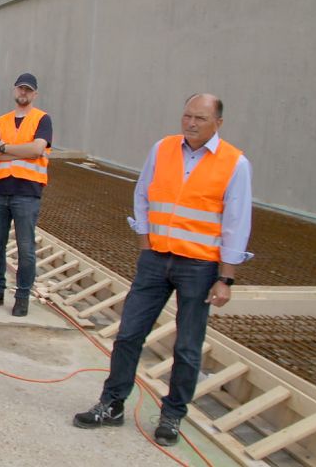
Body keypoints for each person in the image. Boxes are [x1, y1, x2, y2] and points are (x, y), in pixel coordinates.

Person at [73, 93, 252, 447]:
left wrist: (226, 277)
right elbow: (143, 194)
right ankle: (112, 404)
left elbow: (237, 221)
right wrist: (144, 240)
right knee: (128, 334)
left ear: (218, 122)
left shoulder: (234, 164)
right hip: (155, 258)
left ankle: (172, 414)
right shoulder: (163, 148)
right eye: (187, 115)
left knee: (187, 345)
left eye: (200, 118)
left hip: (199, 266)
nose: (191, 123)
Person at [0, 73, 52, 317]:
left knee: (25, 249)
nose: (24, 93)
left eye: (28, 90)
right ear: (14, 90)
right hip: (0, 191)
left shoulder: (42, 119)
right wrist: (19, 151)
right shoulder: (3, 120)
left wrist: (6, 148)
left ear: (35, 94)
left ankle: (22, 296)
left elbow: (38, 149)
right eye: (21, 88)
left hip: (27, 193)